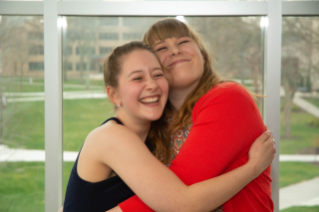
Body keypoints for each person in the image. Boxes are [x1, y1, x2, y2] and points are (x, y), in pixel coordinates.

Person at [62, 41, 275, 212]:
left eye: (157, 74)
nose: (152, 84)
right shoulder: (111, 137)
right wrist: (253, 167)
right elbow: (183, 205)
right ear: (114, 94)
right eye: (137, 78)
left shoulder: (151, 142)